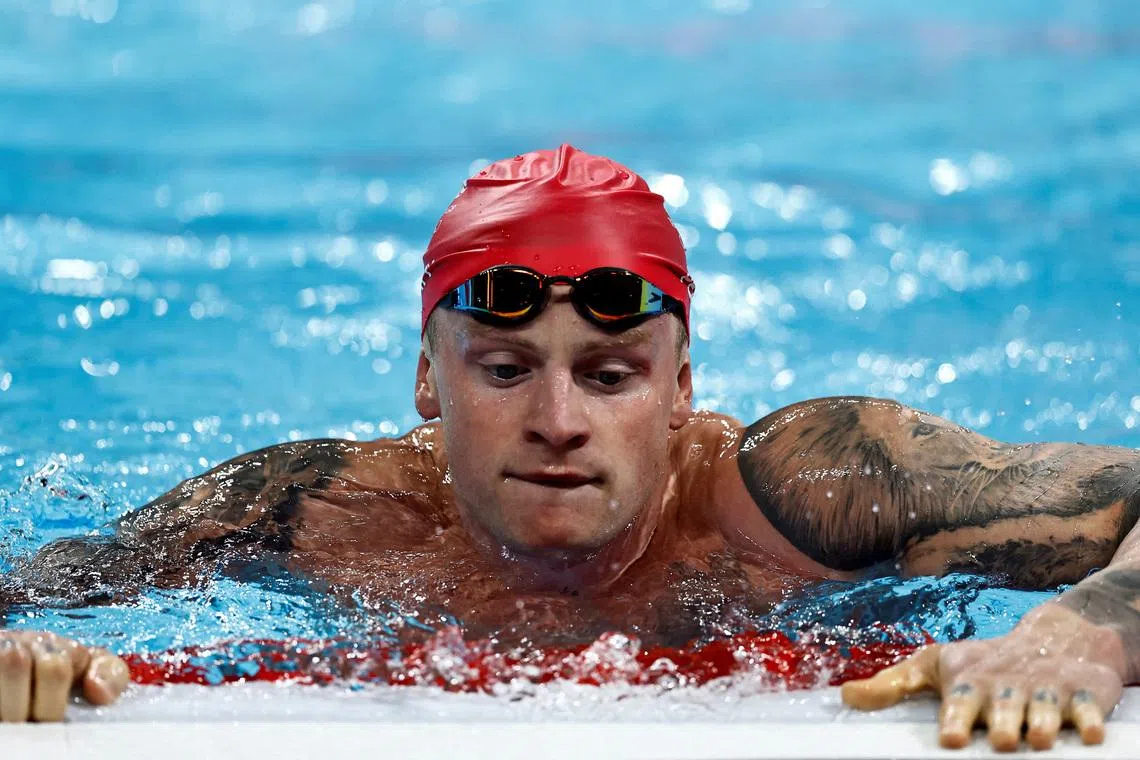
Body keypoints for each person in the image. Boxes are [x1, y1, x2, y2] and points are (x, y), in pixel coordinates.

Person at [2, 145, 1137, 751]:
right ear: (423, 381)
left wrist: (1085, 629)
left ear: (682, 386)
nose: (558, 417)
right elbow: (32, 588)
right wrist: (27, 657)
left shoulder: (808, 488)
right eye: (503, 369)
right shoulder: (318, 508)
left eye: (610, 373)